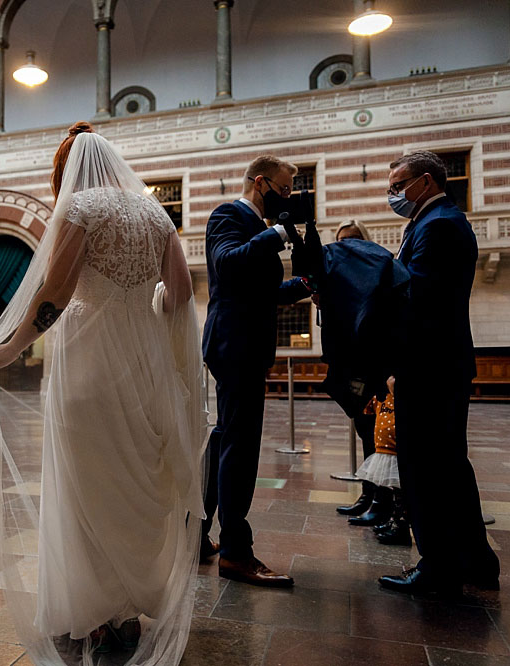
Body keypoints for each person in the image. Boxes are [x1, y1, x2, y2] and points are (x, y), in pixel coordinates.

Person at [0, 122, 206, 664]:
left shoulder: (79, 208)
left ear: (68, 170)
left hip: (89, 366)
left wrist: (10, 347)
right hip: (143, 367)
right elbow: (182, 291)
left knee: (84, 489)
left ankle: (98, 618)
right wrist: (147, 324)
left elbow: (54, 291)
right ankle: (125, 611)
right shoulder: (154, 213)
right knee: (133, 482)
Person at [378, 151, 499, 597]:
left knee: (424, 469)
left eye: (398, 185)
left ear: (425, 182)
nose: (393, 193)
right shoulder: (436, 220)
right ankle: (477, 562)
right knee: (448, 467)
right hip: (438, 363)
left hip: (429, 365)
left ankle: (439, 567)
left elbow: (417, 295)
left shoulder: (439, 224)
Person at [199, 155, 313, 587]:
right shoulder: (228, 215)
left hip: (241, 344)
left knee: (227, 440)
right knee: (240, 449)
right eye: (283, 190)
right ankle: (235, 553)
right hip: (235, 346)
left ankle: (198, 533)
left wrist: (304, 287)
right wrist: (279, 234)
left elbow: (258, 291)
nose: (287, 199)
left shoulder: (258, 229)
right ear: (260, 182)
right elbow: (227, 265)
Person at [329, 221, 387, 522]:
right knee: (365, 432)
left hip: (374, 366)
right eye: (340, 242)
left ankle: (382, 502)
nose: (346, 246)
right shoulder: (340, 278)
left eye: (352, 240)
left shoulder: (377, 271)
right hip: (353, 365)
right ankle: (368, 494)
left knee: (382, 437)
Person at [357, 376, 411, 546]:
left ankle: (400, 523)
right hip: (383, 448)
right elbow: (367, 410)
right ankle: (392, 519)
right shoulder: (381, 396)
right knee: (395, 488)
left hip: (395, 448)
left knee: (402, 490)